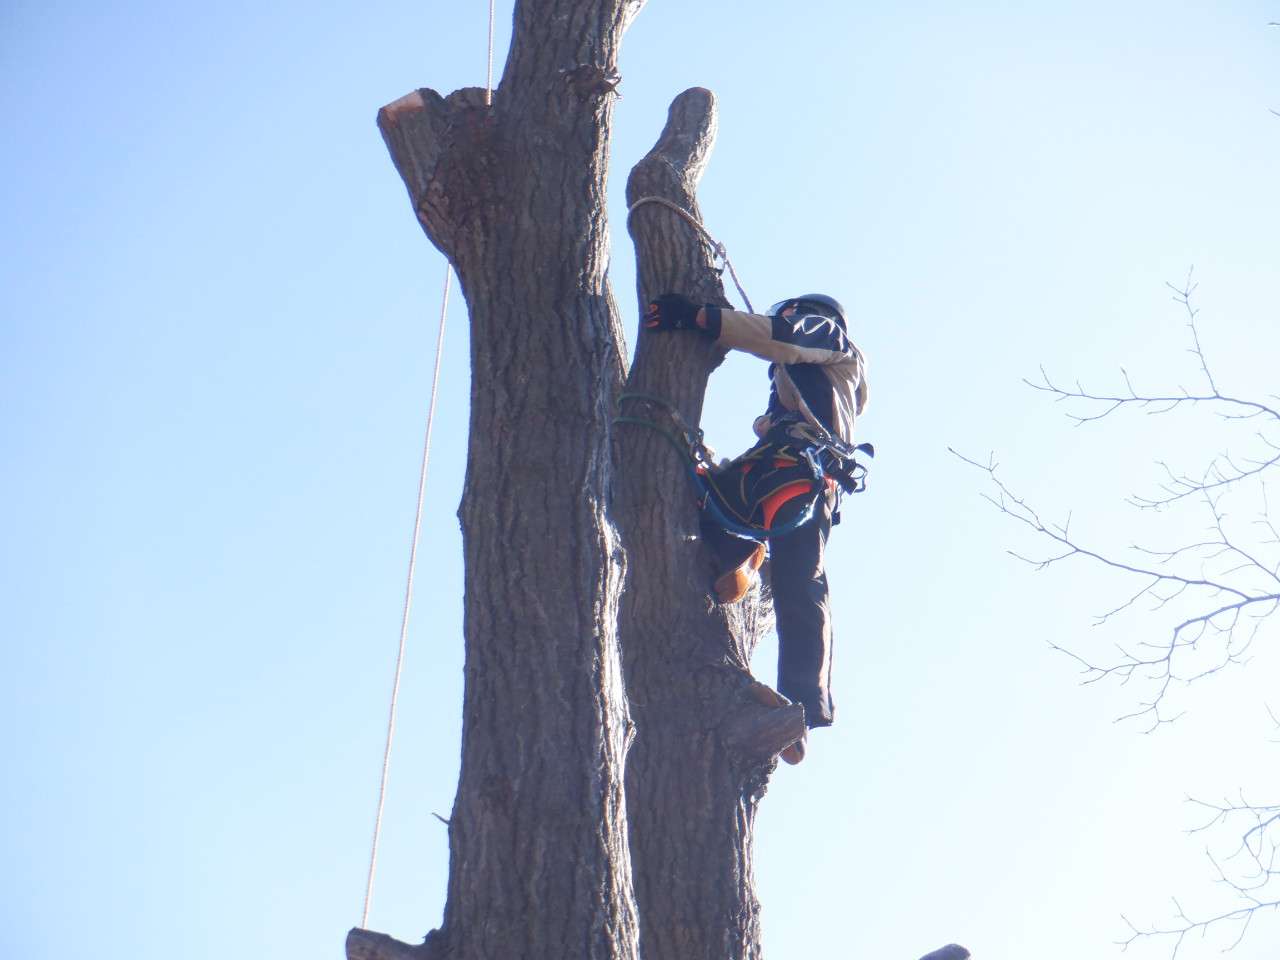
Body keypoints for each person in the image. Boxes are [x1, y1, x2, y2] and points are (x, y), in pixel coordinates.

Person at [644, 292, 869, 762]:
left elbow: (780, 339)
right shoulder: (810, 387)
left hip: (799, 476)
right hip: (775, 473)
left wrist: (700, 317)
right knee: (695, 498)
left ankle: (801, 711)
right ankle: (738, 556)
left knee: (801, 586)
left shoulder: (829, 339)